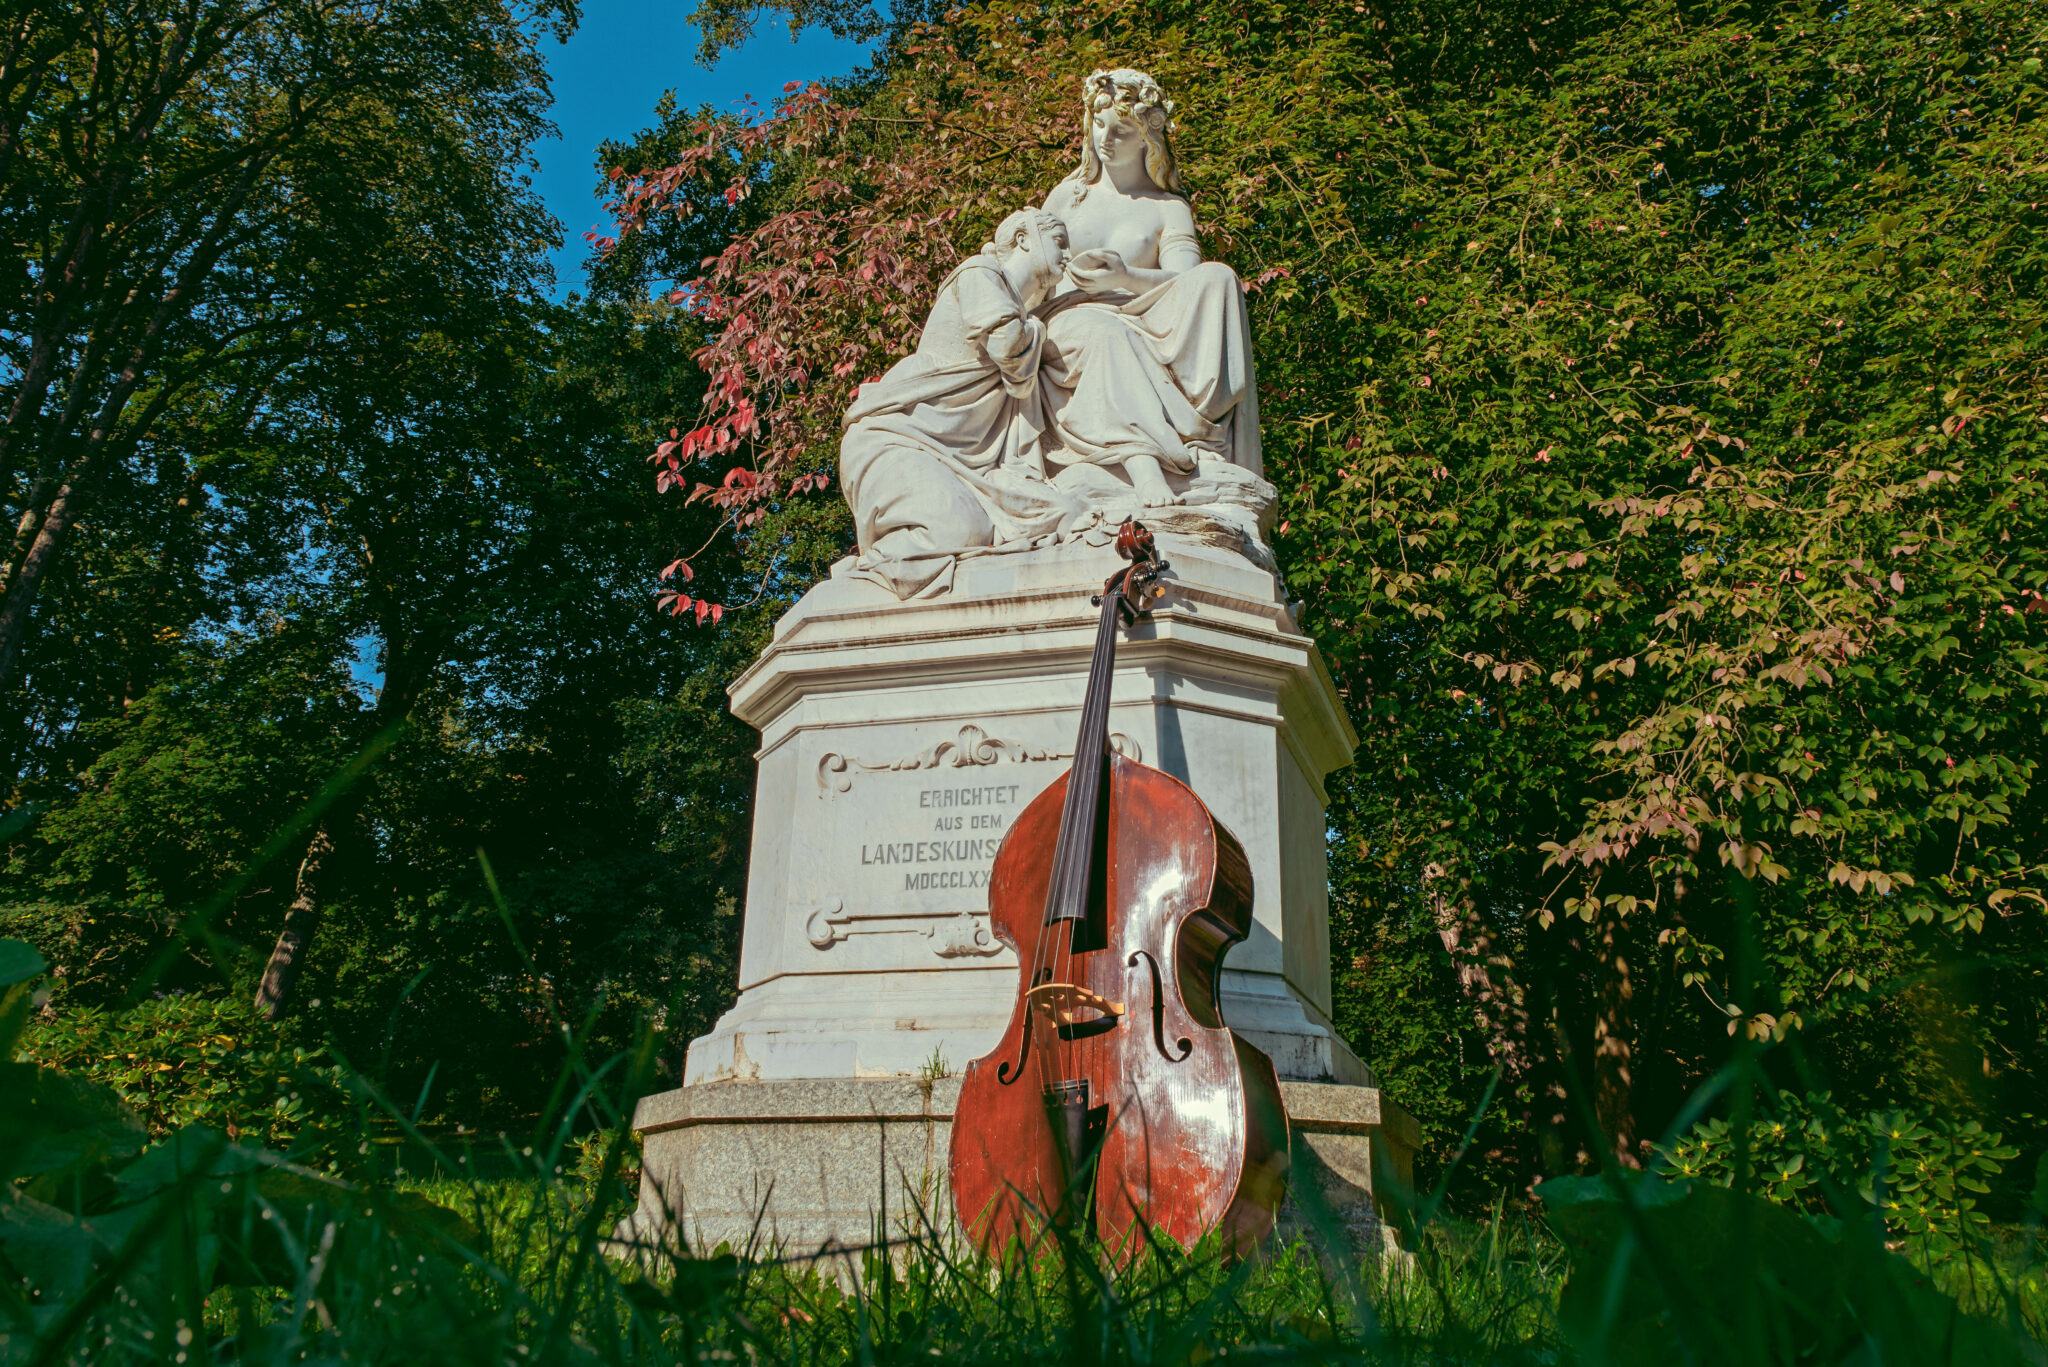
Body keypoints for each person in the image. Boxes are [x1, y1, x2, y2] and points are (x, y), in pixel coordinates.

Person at [1038, 68, 1263, 507]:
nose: (1105, 139)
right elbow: (1031, 270)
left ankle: (1198, 435)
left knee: (1218, 278)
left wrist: (1125, 278)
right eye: (1098, 124)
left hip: (1145, 314)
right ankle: (1144, 460)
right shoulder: (1067, 197)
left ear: (1147, 137)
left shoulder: (1168, 209)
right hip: (1069, 322)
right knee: (1109, 334)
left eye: (1121, 130)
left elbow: (1187, 282)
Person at [838, 207, 1083, 598]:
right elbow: (1007, 348)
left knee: (1058, 514)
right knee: (955, 532)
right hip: (895, 438)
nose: (1067, 256)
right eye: (1059, 243)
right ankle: (860, 584)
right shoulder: (980, 273)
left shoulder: (1017, 312)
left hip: (968, 463)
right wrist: (1040, 326)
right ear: (1024, 240)